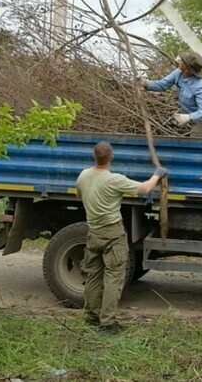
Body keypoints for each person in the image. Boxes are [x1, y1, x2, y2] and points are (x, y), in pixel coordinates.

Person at [76, 141, 166, 334]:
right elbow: (144, 189)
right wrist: (157, 174)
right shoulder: (114, 180)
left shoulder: (83, 176)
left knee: (93, 275)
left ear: (94, 157)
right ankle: (107, 323)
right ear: (112, 158)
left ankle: (92, 315)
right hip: (112, 233)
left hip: (93, 231)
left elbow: (79, 194)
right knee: (114, 277)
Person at [142, 50, 202, 137]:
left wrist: (188, 117)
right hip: (188, 113)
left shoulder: (201, 86)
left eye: (182, 61)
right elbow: (162, 85)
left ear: (187, 69)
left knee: (196, 144)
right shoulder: (179, 73)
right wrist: (145, 83)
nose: (180, 61)